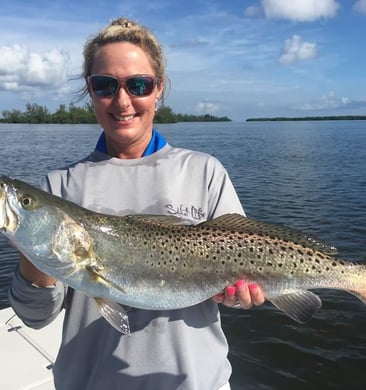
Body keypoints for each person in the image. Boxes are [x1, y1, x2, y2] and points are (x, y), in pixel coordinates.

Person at [9, 17, 265, 390]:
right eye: (105, 86)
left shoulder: (204, 171)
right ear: (90, 91)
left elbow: (238, 284)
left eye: (139, 85)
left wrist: (240, 297)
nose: (123, 101)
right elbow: (34, 318)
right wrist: (32, 250)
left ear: (158, 89)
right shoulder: (59, 186)